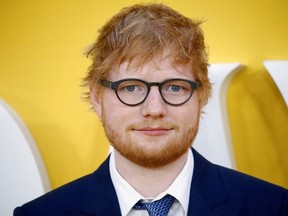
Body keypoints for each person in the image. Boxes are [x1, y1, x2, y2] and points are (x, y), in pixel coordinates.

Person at [14, 3, 288, 216]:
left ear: (201, 95)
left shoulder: (274, 207)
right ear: (97, 98)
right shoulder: (39, 214)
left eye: (175, 87)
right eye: (131, 87)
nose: (154, 109)